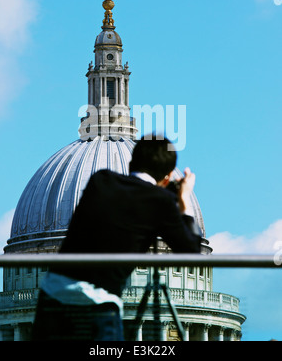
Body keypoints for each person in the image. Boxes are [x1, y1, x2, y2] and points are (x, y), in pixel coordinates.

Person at [31, 136, 202, 341]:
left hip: (52, 297)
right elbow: (192, 252)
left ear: (131, 163)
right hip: (97, 305)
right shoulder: (161, 202)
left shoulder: (100, 180)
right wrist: (183, 200)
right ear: (166, 178)